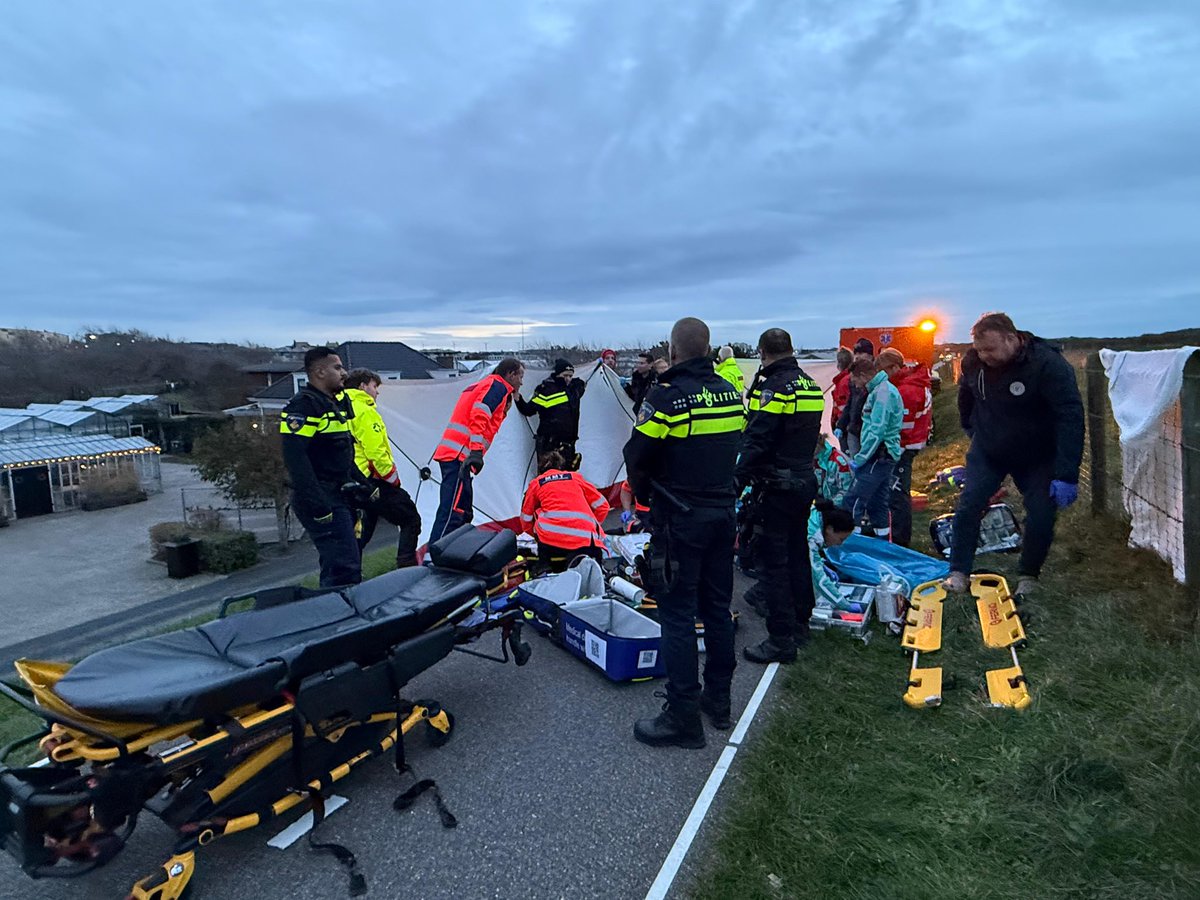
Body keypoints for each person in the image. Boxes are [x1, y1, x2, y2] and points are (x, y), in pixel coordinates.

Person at [624, 317, 744, 748]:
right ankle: (720, 702)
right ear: (708, 349)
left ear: (673, 351)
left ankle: (682, 716)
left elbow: (636, 455)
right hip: (722, 514)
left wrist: (646, 503)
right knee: (716, 610)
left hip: (680, 519)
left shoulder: (668, 397)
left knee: (676, 616)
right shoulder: (731, 392)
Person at [942, 312, 1084, 598]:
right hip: (990, 450)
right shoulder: (973, 361)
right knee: (969, 506)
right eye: (980, 349)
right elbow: (966, 396)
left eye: (990, 349)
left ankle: (1029, 574)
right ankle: (958, 571)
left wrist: (1067, 473)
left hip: (1038, 454)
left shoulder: (1047, 364)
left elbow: (1070, 416)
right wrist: (970, 426)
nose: (984, 356)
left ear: (1012, 338)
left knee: (1041, 514)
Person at [737, 328, 825, 664]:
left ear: (762, 352)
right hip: (803, 480)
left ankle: (780, 640)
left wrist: (736, 481)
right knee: (798, 553)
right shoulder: (810, 386)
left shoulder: (774, 388)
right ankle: (801, 624)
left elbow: (758, 440)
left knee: (773, 564)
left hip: (776, 486)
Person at [280, 347, 361, 587]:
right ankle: (338, 618)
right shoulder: (303, 408)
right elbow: (296, 459)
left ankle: (340, 611)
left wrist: (363, 484)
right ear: (319, 372)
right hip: (321, 496)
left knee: (345, 562)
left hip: (337, 493)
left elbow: (341, 454)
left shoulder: (331, 405)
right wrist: (318, 504)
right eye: (337, 368)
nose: (343, 373)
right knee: (343, 567)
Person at [430, 358, 525, 541]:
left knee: (464, 512)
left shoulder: (485, 385)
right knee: (453, 510)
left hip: (456, 454)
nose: (521, 382)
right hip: (460, 455)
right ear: (510, 374)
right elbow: (479, 415)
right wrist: (475, 452)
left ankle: (453, 551)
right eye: (520, 376)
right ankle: (434, 557)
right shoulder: (497, 386)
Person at [343, 369, 422, 568]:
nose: (377, 392)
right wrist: (392, 478)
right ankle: (408, 570)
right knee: (410, 518)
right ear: (362, 386)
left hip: (352, 481)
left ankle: (347, 576)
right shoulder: (364, 411)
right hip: (372, 479)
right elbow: (376, 451)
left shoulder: (340, 406)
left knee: (360, 534)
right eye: (374, 386)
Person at [841, 354, 903, 539]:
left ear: (862, 375)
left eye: (853, 378)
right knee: (877, 503)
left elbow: (877, 429)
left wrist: (861, 457)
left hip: (878, 455)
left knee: (853, 500)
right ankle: (883, 541)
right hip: (881, 454)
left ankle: (850, 542)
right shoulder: (879, 390)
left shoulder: (882, 393)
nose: (853, 383)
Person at [520, 451, 610, 571]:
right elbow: (603, 506)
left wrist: (536, 536)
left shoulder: (537, 483)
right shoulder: (575, 478)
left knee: (538, 512)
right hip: (587, 543)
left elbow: (526, 518)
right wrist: (591, 526)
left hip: (551, 544)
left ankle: (544, 564)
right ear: (560, 467)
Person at [885, 350, 933, 547]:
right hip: (909, 444)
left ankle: (900, 539)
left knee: (897, 494)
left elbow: (903, 426)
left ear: (895, 367)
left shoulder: (907, 390)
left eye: (884, 371)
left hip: (904, 447)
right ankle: (897, 535)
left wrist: (891, 447)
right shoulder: (912, 384)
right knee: (897, 493)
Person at [515, 358, 587, 468]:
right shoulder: (546, 390)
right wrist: (518, 398)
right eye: (565, 375)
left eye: (570, 376)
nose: (568, 379)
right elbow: (528, 410)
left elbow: (581, 384)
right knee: (549, 478)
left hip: (568, 445)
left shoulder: (574, 390)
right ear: (557, 374)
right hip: (549, 445)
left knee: (568, 479)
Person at [809, 499, 857, 611]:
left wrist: (821, 564)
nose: (840, 544)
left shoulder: (816, 516)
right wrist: (844, 604)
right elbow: (818, 579)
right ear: (830, 529)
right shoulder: (811, 537)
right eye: (841, 539)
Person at [835, 338, 874, 455]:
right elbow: (849, 404)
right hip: (853, 429)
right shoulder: (853, 378)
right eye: (856, 353)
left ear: (871, 355)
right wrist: (841, 425)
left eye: (861, 353)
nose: (857, 356)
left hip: (867, 431)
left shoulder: (875, 376)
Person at [815, 435, 854, 507]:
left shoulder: (838, 461)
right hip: (820, 505)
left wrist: (831, 503)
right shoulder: (814, 460)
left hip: (838, 508)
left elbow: (847, 490)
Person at [830, 347, 853, 429]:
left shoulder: (843, 382)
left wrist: (839, 424)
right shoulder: (848, 378)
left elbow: (843, 405)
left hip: (844, 424)